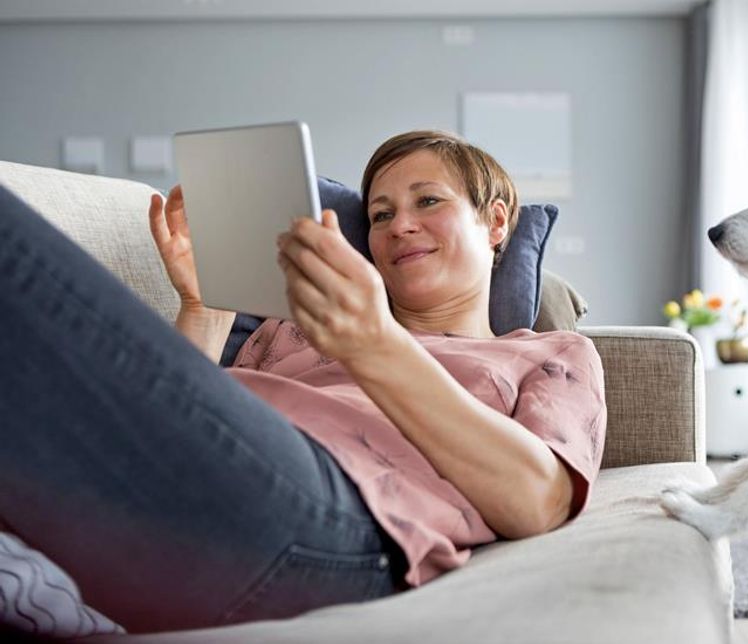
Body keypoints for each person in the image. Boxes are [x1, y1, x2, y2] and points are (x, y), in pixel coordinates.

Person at [0, 130, 606, 634]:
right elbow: (172, 432)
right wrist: (206, 306)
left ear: (496, 223)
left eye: (427, 202)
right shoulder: (292, 331)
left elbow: (541, 500)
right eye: (380, 214)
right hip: (178, 507)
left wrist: (374, 344)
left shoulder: (549, 354)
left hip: (341, 529)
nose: (399, 226)